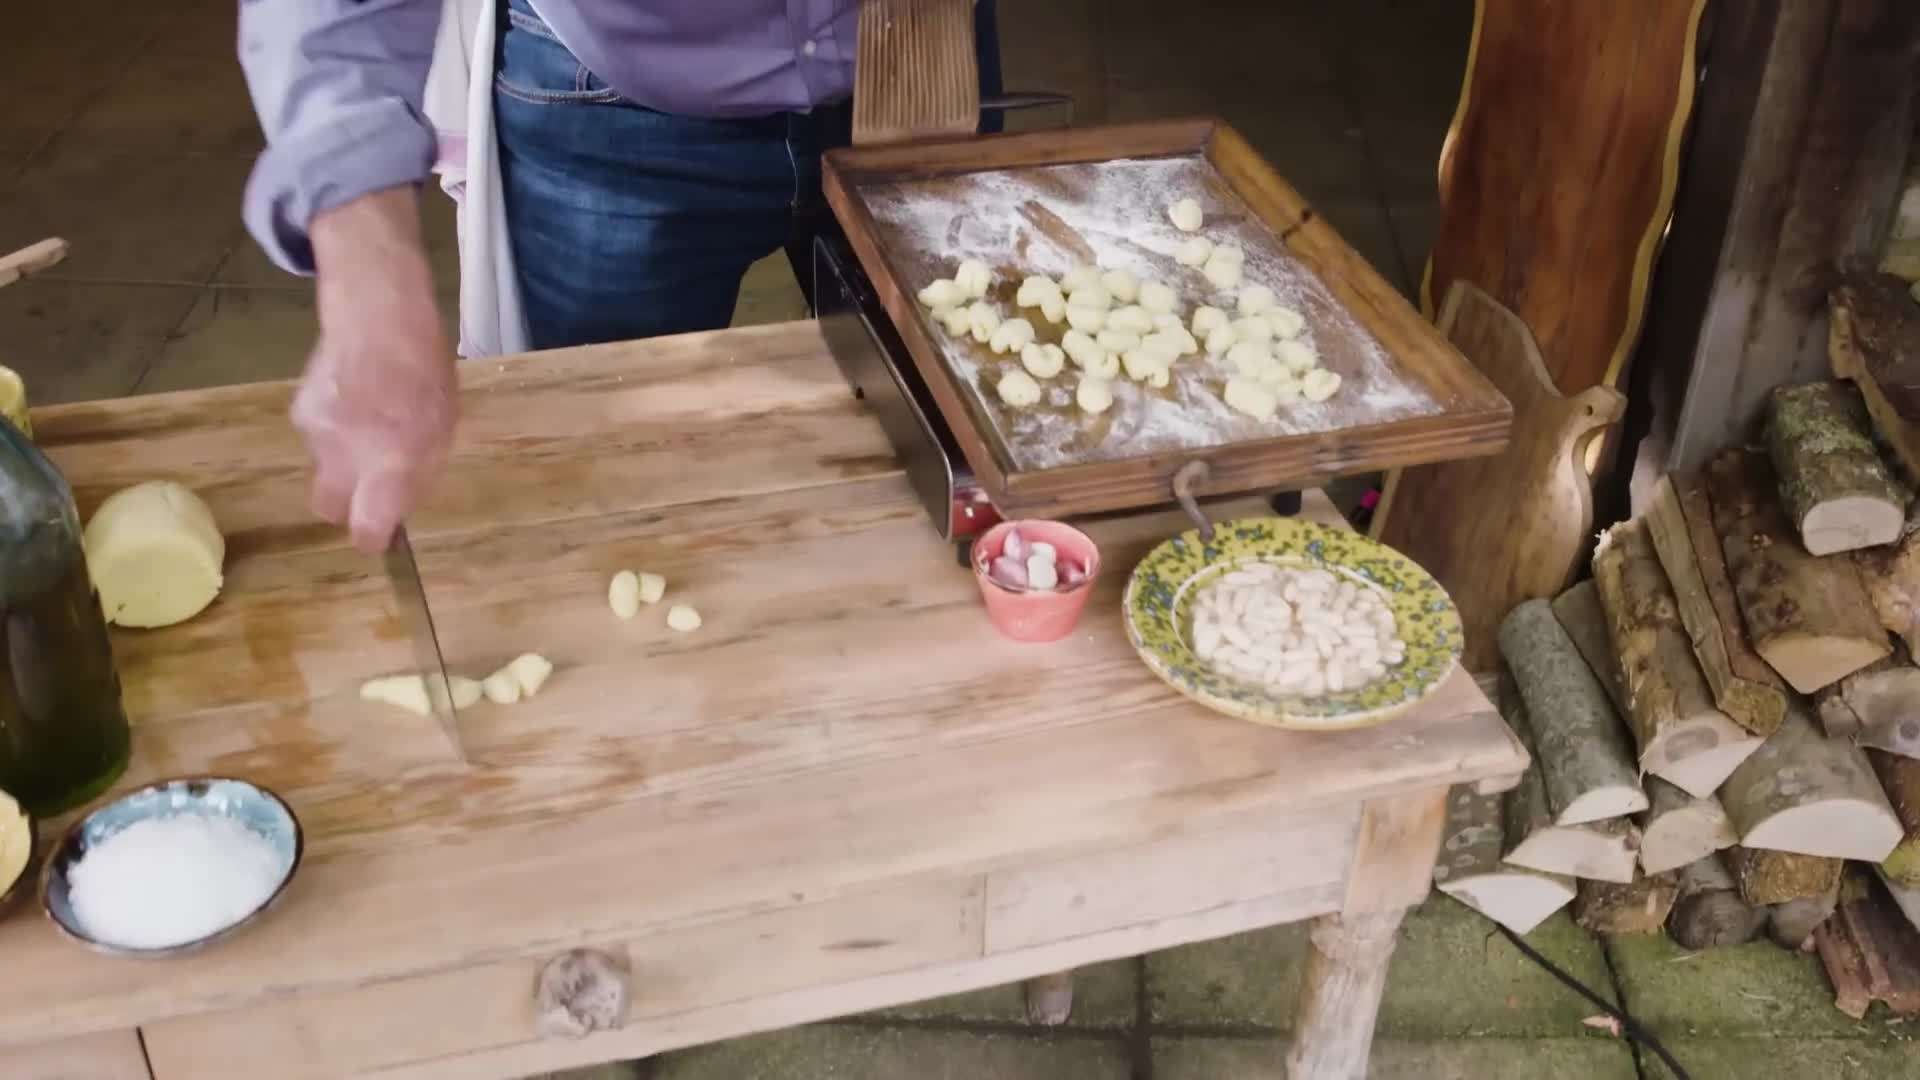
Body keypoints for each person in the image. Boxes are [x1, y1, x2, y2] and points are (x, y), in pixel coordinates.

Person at [238, 0, 1001, 553]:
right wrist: (368, 268)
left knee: (964, 484)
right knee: (593, 512)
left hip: (917, 49)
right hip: (609, 97)